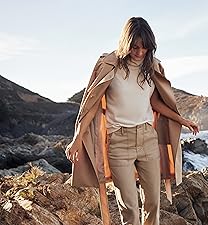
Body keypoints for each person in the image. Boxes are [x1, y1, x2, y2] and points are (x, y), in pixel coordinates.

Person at [65, 17, 199, 225]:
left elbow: (155, 102)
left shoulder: (150, 67)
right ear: (125, 43)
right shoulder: (110, 66)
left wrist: (182, 120)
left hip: (147, 140)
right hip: (119, 143)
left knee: (153, 204)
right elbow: (91, 107)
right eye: (134, 47)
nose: (139, 52)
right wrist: (77, 138)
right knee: (130, 210)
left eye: (144, 48)